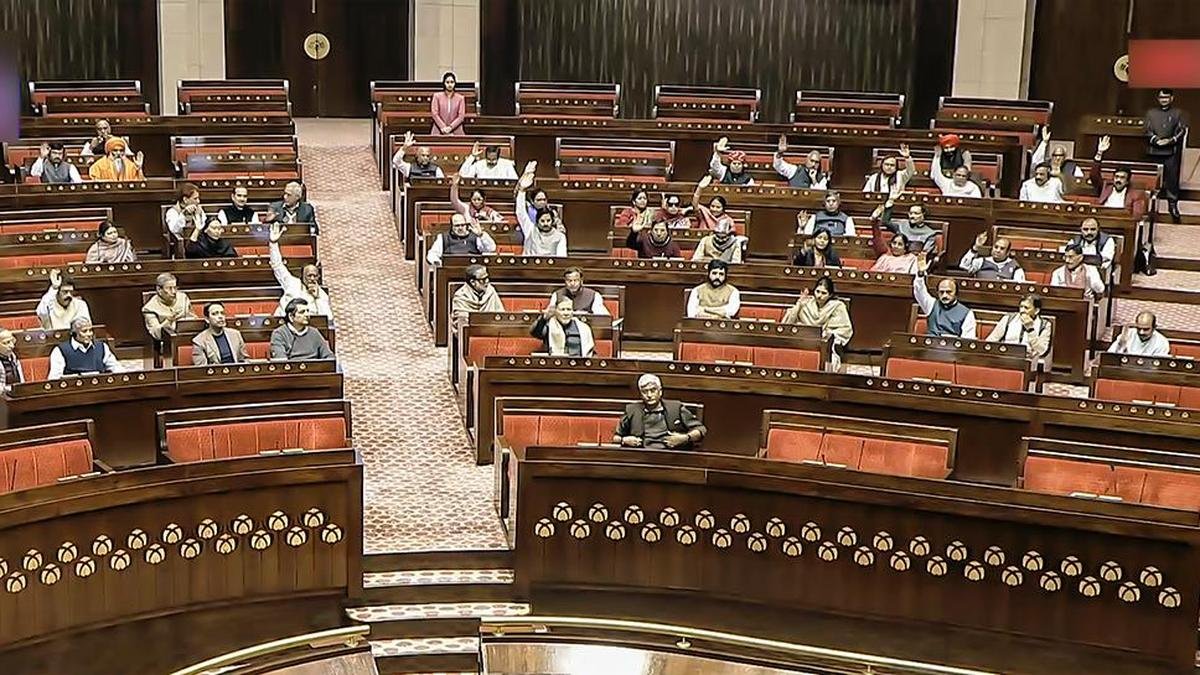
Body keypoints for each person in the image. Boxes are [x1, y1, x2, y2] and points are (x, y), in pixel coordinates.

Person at [613, 374, 706, 450]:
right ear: (640, 394)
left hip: (672, 456)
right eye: (645, 392)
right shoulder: (632, 410)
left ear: (660, 391)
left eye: (653, 390)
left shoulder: (676, 408)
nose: (649, 395)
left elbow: (700, 430)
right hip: (641, 456)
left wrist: (684, 438)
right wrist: (624, 440)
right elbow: (615, 438)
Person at [781, 277, 854, 370]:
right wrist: (799, 303)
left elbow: (845, 328)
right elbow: (787, 323)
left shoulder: (837, 306)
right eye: (817, 291)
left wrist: (828, 333)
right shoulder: (806, 303)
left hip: (823, 343)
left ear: (830, 295)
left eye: (824, 293)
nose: (819, 296)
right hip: (803, 340)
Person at [269, 222, 332, 318]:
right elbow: (277, 265)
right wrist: (273, 243)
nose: (312, 278)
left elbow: (328, 319)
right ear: (302, 276)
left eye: (315, 276)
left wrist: (317, 299)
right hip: (284, 323)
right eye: (309, 275)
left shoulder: (321, 295)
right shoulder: (292, 283)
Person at [1145, 88, 1188, 223]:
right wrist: (1156, 140)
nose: (1164, 100)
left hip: (1171, 151)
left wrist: (1170, 140)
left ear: (1171, 98)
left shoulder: (1178, 113)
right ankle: (1149, 205)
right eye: (1161, 97)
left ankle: (1172, 205)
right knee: (1152, 178)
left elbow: (1181, 130)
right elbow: (1147, 130)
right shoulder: (1151, 113)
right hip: (1154, 150)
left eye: (1166, 97)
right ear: (1158, 99)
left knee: (1172, 179)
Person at [913, 255, 977, 338]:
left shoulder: (967, 313)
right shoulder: (931, 305)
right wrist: (920, 274)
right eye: (941, 292)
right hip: (931, 344)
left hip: (952, 345)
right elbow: (919, 291)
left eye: (949, 292)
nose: (945, 295)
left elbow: (968, 339)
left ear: (956, 293)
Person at [1090, 136, 1148, 219]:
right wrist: (1099, 153)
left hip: (1122, 221)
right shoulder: (1106, 187)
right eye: (1117, 177)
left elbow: (1137, 216)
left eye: (1122, 178)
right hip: (1103, 218)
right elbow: (1094, 176)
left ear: (1127, 181)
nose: (1118, 180)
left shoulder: (1136, 194)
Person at [514, 164, 567, 256]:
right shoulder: (530, 230)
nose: (545, 223)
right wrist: (522, 190)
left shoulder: (560, 236)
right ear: (537, 221)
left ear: (552, 221)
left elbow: (561, 257)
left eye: (548, 220)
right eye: (542, 221)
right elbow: (520, 212)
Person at [47, 317, 123, 379]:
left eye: (90, 330)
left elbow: (116, 368)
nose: (89, 334)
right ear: (74, 334)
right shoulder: (60, 350)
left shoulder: (102, 347)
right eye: (84, 331)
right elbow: (54, 378)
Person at [985, 294, 1052, 361]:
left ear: (1036, 311)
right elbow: (990, 341)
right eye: (1021, 307)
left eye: (1026, 308)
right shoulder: (1009, 318)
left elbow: (1042, 351)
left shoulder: (1044, 325)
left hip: (1028, 361)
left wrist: (1030, 329)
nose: (1022, 310)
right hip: (1005, 358)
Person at [870, 194, 939, 254]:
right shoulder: (902, 226)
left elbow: (925, 253)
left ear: (923, 215)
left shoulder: (929, 233)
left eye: (916, 213)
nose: (912, 216)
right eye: (910, 213)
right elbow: (885, 222)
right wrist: (890, 203)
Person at [270, 299, 334, 361]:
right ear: (291, 316)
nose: (307, 315)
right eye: (302, 312)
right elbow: (281, 361)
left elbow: (328, 356)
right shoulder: (279, 334)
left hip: (315, 367)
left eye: (307, 311)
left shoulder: (314, 332)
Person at [530, 298, 596, 357]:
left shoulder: (583, 328)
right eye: (562, 310)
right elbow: (535, 332)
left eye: (569, 309)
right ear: (555, 311)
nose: (566, 313)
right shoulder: (549, 325)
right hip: (556, 363)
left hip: (579, 363)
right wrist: (544, 318)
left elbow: (590, 351)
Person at [427, 213, 497, 265]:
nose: (460, 228)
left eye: (463, 225)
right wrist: (438, 263)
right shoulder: (443, 237)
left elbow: (491, 249)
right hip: (450, 270)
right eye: (457, 225)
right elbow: (432, 254)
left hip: (473, 269)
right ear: (452, 226)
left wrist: (481, 235)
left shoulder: (475, 236)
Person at [141, 272, 194, 341]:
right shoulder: (149, 308)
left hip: (186, 337)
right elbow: (156, 333)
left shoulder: (183, 298)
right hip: (166, 342)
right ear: (159, 289)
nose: (174, 291)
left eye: (175, 288)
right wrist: (168, 321)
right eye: (169, 288)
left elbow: (192, 318)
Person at [960, 231, 1025, 281]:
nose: (998, 250)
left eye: (1002, 248)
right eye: (996, 247)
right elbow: (963, 265)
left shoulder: (1015, 267)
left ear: (1008, 252)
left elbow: (1019, 286)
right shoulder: (981, 261)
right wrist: (976, 247)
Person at [430, 71, 467, 136]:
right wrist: (443, 127)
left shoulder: (460, 98)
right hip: (439, 130)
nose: (450, 85)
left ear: (455, 83)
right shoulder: (437, 96)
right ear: (444, 83)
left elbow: (461, 116)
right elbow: (435, 114)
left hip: (456, 130)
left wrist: (450, 127)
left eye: (452, 82)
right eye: (447, 82)